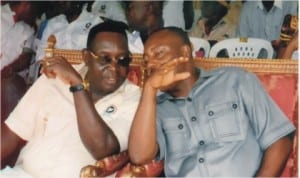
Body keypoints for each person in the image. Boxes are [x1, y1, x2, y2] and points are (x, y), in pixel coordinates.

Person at [128, 27, 295, 177]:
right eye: (146, 60)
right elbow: (139, 156)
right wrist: (149, 90)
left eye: (158, 54)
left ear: (186, 52)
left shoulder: (235, 80)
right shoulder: (156, 108)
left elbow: (279, 140)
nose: (151, 64)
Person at [1, 20, 141, 178]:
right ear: (86, 57)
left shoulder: (134, 99)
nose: (114, 68)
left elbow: (104, 149)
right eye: (105, 59)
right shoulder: (53, 79)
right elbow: (12, 133)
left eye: (122, 60)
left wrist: (77, 86)